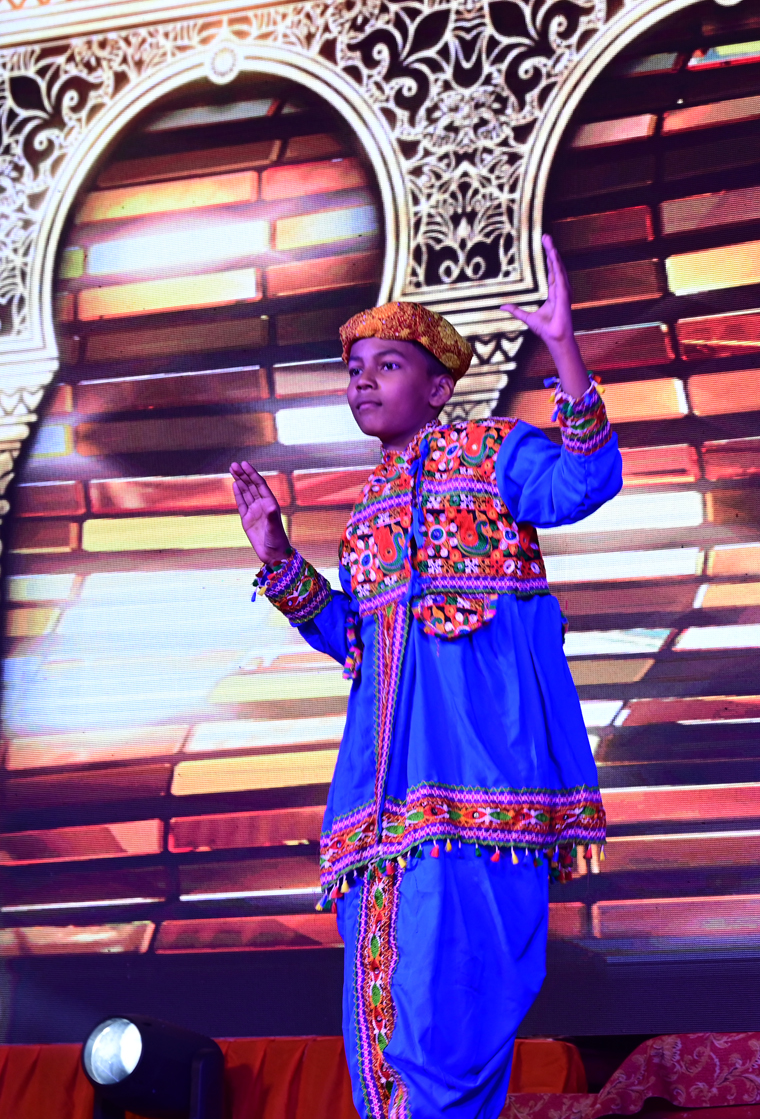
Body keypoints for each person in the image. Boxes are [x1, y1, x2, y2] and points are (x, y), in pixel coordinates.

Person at [230, 236, 618, 1119]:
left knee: (455, 1021)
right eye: (354, 369)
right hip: (381, 807)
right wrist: (279, 557)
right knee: (386, 1032)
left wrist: (564, 350)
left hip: (483, 792)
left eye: (387, 365)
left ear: (439, 388)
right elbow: (358, 646)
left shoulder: (493, 453)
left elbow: (584, 481)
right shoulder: (366, 512)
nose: (363, 382)